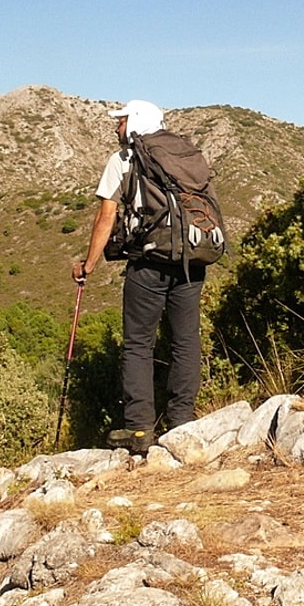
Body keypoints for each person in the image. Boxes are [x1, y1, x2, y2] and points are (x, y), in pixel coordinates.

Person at [72, 100, 205, 454]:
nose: (116, 127)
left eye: (121, 121)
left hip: (148, 263)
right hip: (191, 260)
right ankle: (182, 422)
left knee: (138, 345)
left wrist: (88, 264)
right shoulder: (185, 154)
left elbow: (105, 217)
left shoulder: (124, 160)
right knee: (185, 341)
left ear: (135, 124)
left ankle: (140, 429)